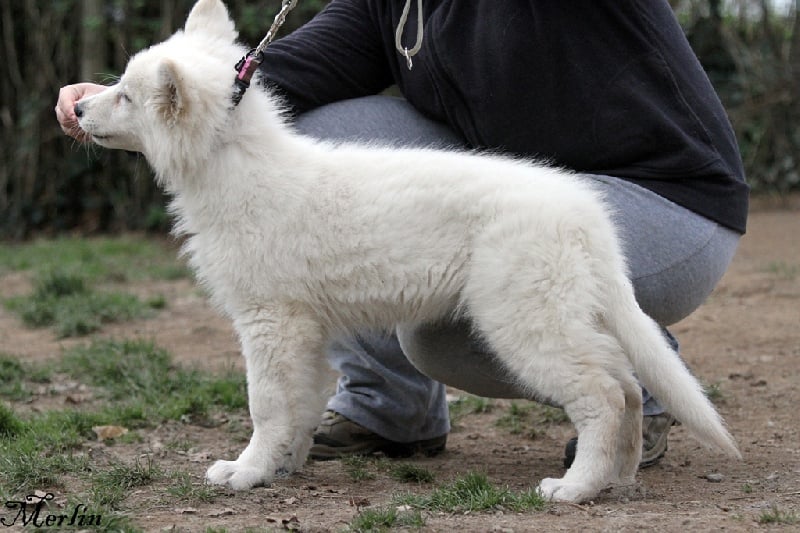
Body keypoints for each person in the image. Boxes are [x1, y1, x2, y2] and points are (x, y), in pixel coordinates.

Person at [56, 0, 749, 469]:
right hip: (512, 200)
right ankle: (390, 406)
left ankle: (632, 382)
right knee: (436, 338)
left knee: (536, 316)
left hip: (663, 202)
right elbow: (261, 83)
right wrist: (119, 106)